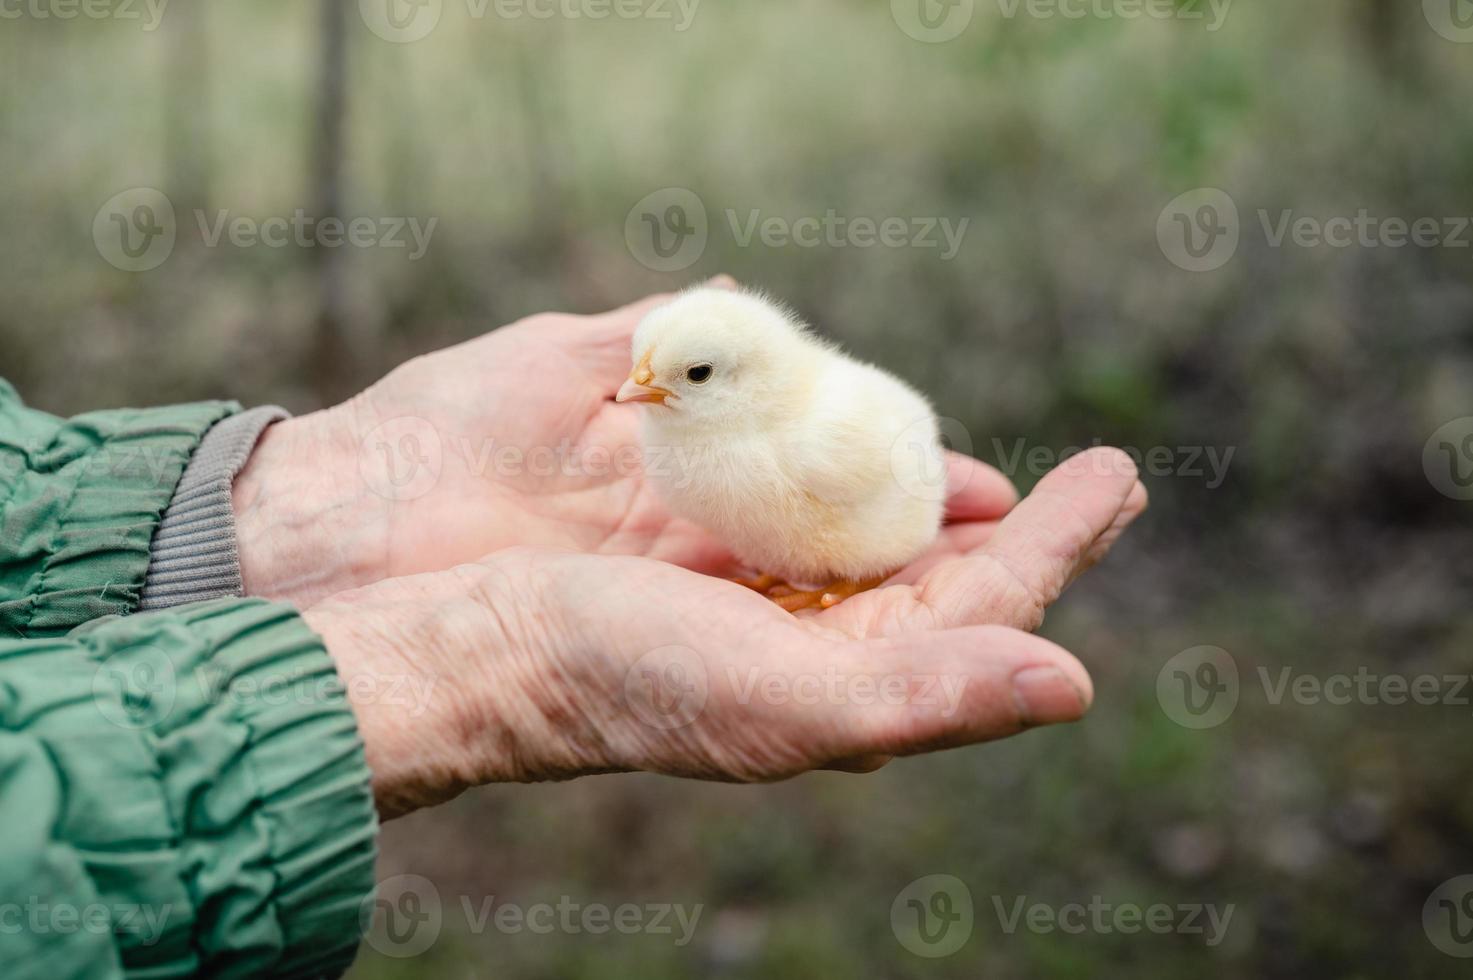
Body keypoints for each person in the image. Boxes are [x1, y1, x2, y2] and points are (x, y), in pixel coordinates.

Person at [0, 279, 1147, 977]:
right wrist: (487, 653)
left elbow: (889, 481)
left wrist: (270, 509)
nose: (642, 395)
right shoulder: (708, 427)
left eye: (683, 376)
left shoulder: (820, 434)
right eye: (650, 374)